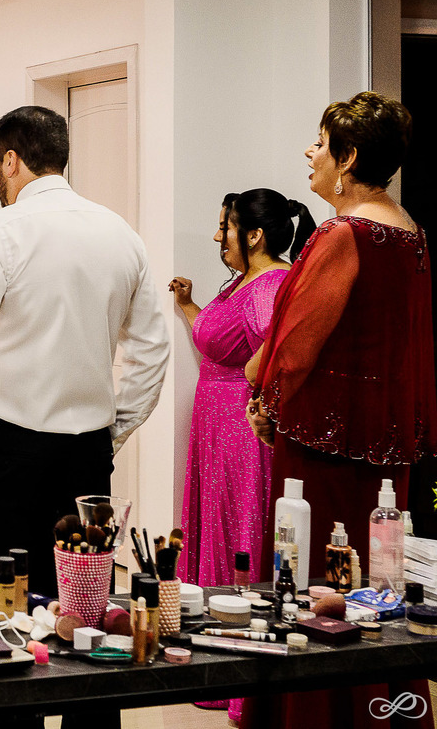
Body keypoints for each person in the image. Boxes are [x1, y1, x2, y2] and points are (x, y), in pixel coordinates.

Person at [244, 92, 437, 729]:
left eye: (320, 143)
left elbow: (295, 343)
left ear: (347, 158)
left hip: (321, 452)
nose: (310, 152)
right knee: (380, 589)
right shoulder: (410, 231)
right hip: (385, 451)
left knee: (315, 589)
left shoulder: (343, 233)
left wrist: (264, 400)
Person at [0, 105, 170, 600]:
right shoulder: (121, 234)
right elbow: (151, 352)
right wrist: (114, 431)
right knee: (81, 605)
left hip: (4, 451)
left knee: (5, 607)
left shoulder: (1, 231)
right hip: (87, 454)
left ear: (11, 161)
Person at [169, 189, 313, 722]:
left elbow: (270, 358)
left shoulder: (270, 284)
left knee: (239, 538)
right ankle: (210, 660)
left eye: (224, 226)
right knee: (217, 532)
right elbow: (228, 342)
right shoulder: (245, 283)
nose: (215, 235)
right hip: (217, 426)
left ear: (253, 235)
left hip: (239, 432)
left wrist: (260, 412)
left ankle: (239, 677)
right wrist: (189, 307)